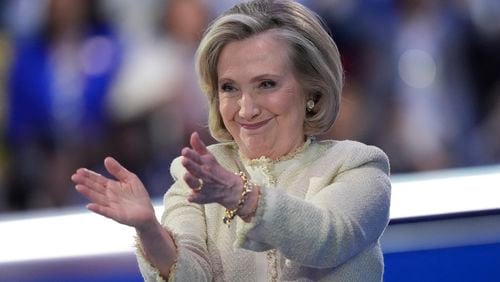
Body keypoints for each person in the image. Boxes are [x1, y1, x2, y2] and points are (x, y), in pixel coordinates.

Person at [71, 0, 391, 281]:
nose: (246, 109)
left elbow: (327, 238)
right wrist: (150, 231)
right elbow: (190, 276)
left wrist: (240, 195)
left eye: (266, 84)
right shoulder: (196, 176)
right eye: (229, 88)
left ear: (313, 89)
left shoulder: (358, 166)